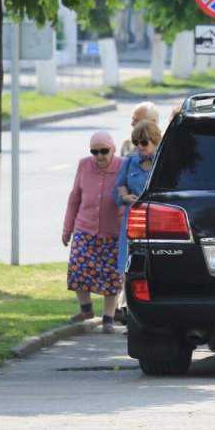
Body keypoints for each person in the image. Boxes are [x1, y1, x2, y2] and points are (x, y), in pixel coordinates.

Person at [62, 131, 125, 334]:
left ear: (112, 150)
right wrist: (67, 228)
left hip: (113, 231)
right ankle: (86, 310)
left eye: (104, 151)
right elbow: (74, 198)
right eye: (95, 151)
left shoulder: (123, 166)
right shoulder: (83, 165)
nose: (99, 156)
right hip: (85, 227)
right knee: (78, 268)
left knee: (111, 275)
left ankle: (108, 318)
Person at [114, 120, 160, 281]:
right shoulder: (129, 163)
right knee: (130, 268)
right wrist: (125, 197)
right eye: (136, 142)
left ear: (155, 140)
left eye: (144, 142)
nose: (139, 146)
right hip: (133, 223)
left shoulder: (163, 163)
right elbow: (117, 190)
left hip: (157, 221)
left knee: (156, 268)